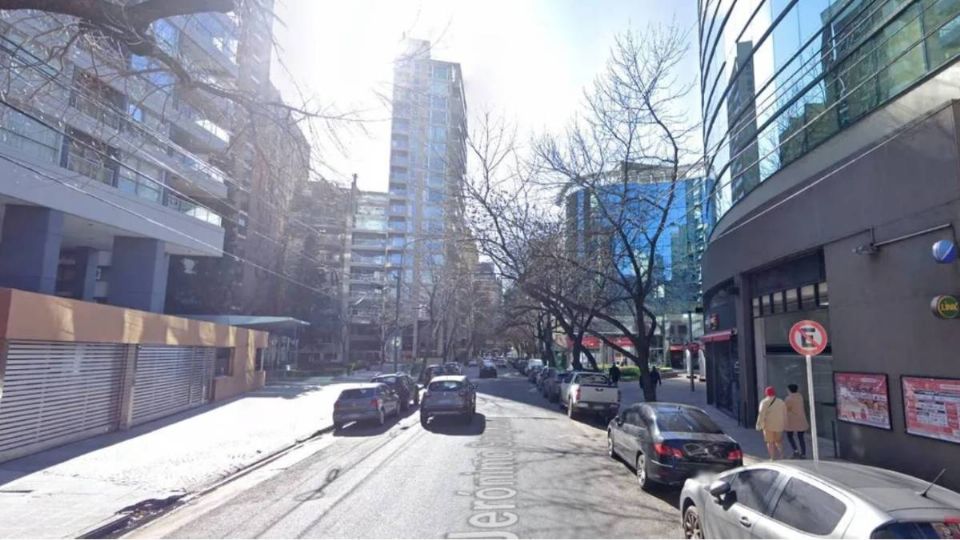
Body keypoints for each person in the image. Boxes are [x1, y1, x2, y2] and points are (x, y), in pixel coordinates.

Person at [756, 386, 787, 460]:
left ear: (766, 393)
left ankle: (772, 457)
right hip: (779, 425)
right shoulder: (781, 401)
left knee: (770, 442)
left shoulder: (764, 402)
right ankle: (782, 455)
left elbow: (761, 414)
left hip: (768, 426)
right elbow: (785, 413)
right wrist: (785, 424)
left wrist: (758, 425)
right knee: (778, 441)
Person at [784, 384, 810, 458]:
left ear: (789, 390)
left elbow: (786, 408)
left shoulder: (788, 399)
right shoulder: (800, 397)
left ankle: (796, 451)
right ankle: (803, 453)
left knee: (789, 435)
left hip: (792, 420)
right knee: (801, 437)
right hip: (801, 419)